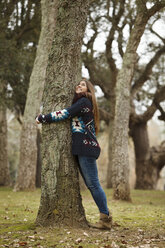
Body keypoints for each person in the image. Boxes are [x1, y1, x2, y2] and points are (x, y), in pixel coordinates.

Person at [36, 79, 112, 230]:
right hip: (84, 148)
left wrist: (43, 117)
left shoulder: (84, 102)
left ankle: (106, 219)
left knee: (94, 184)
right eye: (78, 84)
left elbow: (65, 113)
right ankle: (105, 217)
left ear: (88, 91)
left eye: (83, 84)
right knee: (93, 185)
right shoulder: (82, 103)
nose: (78, 85)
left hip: (87, 149)